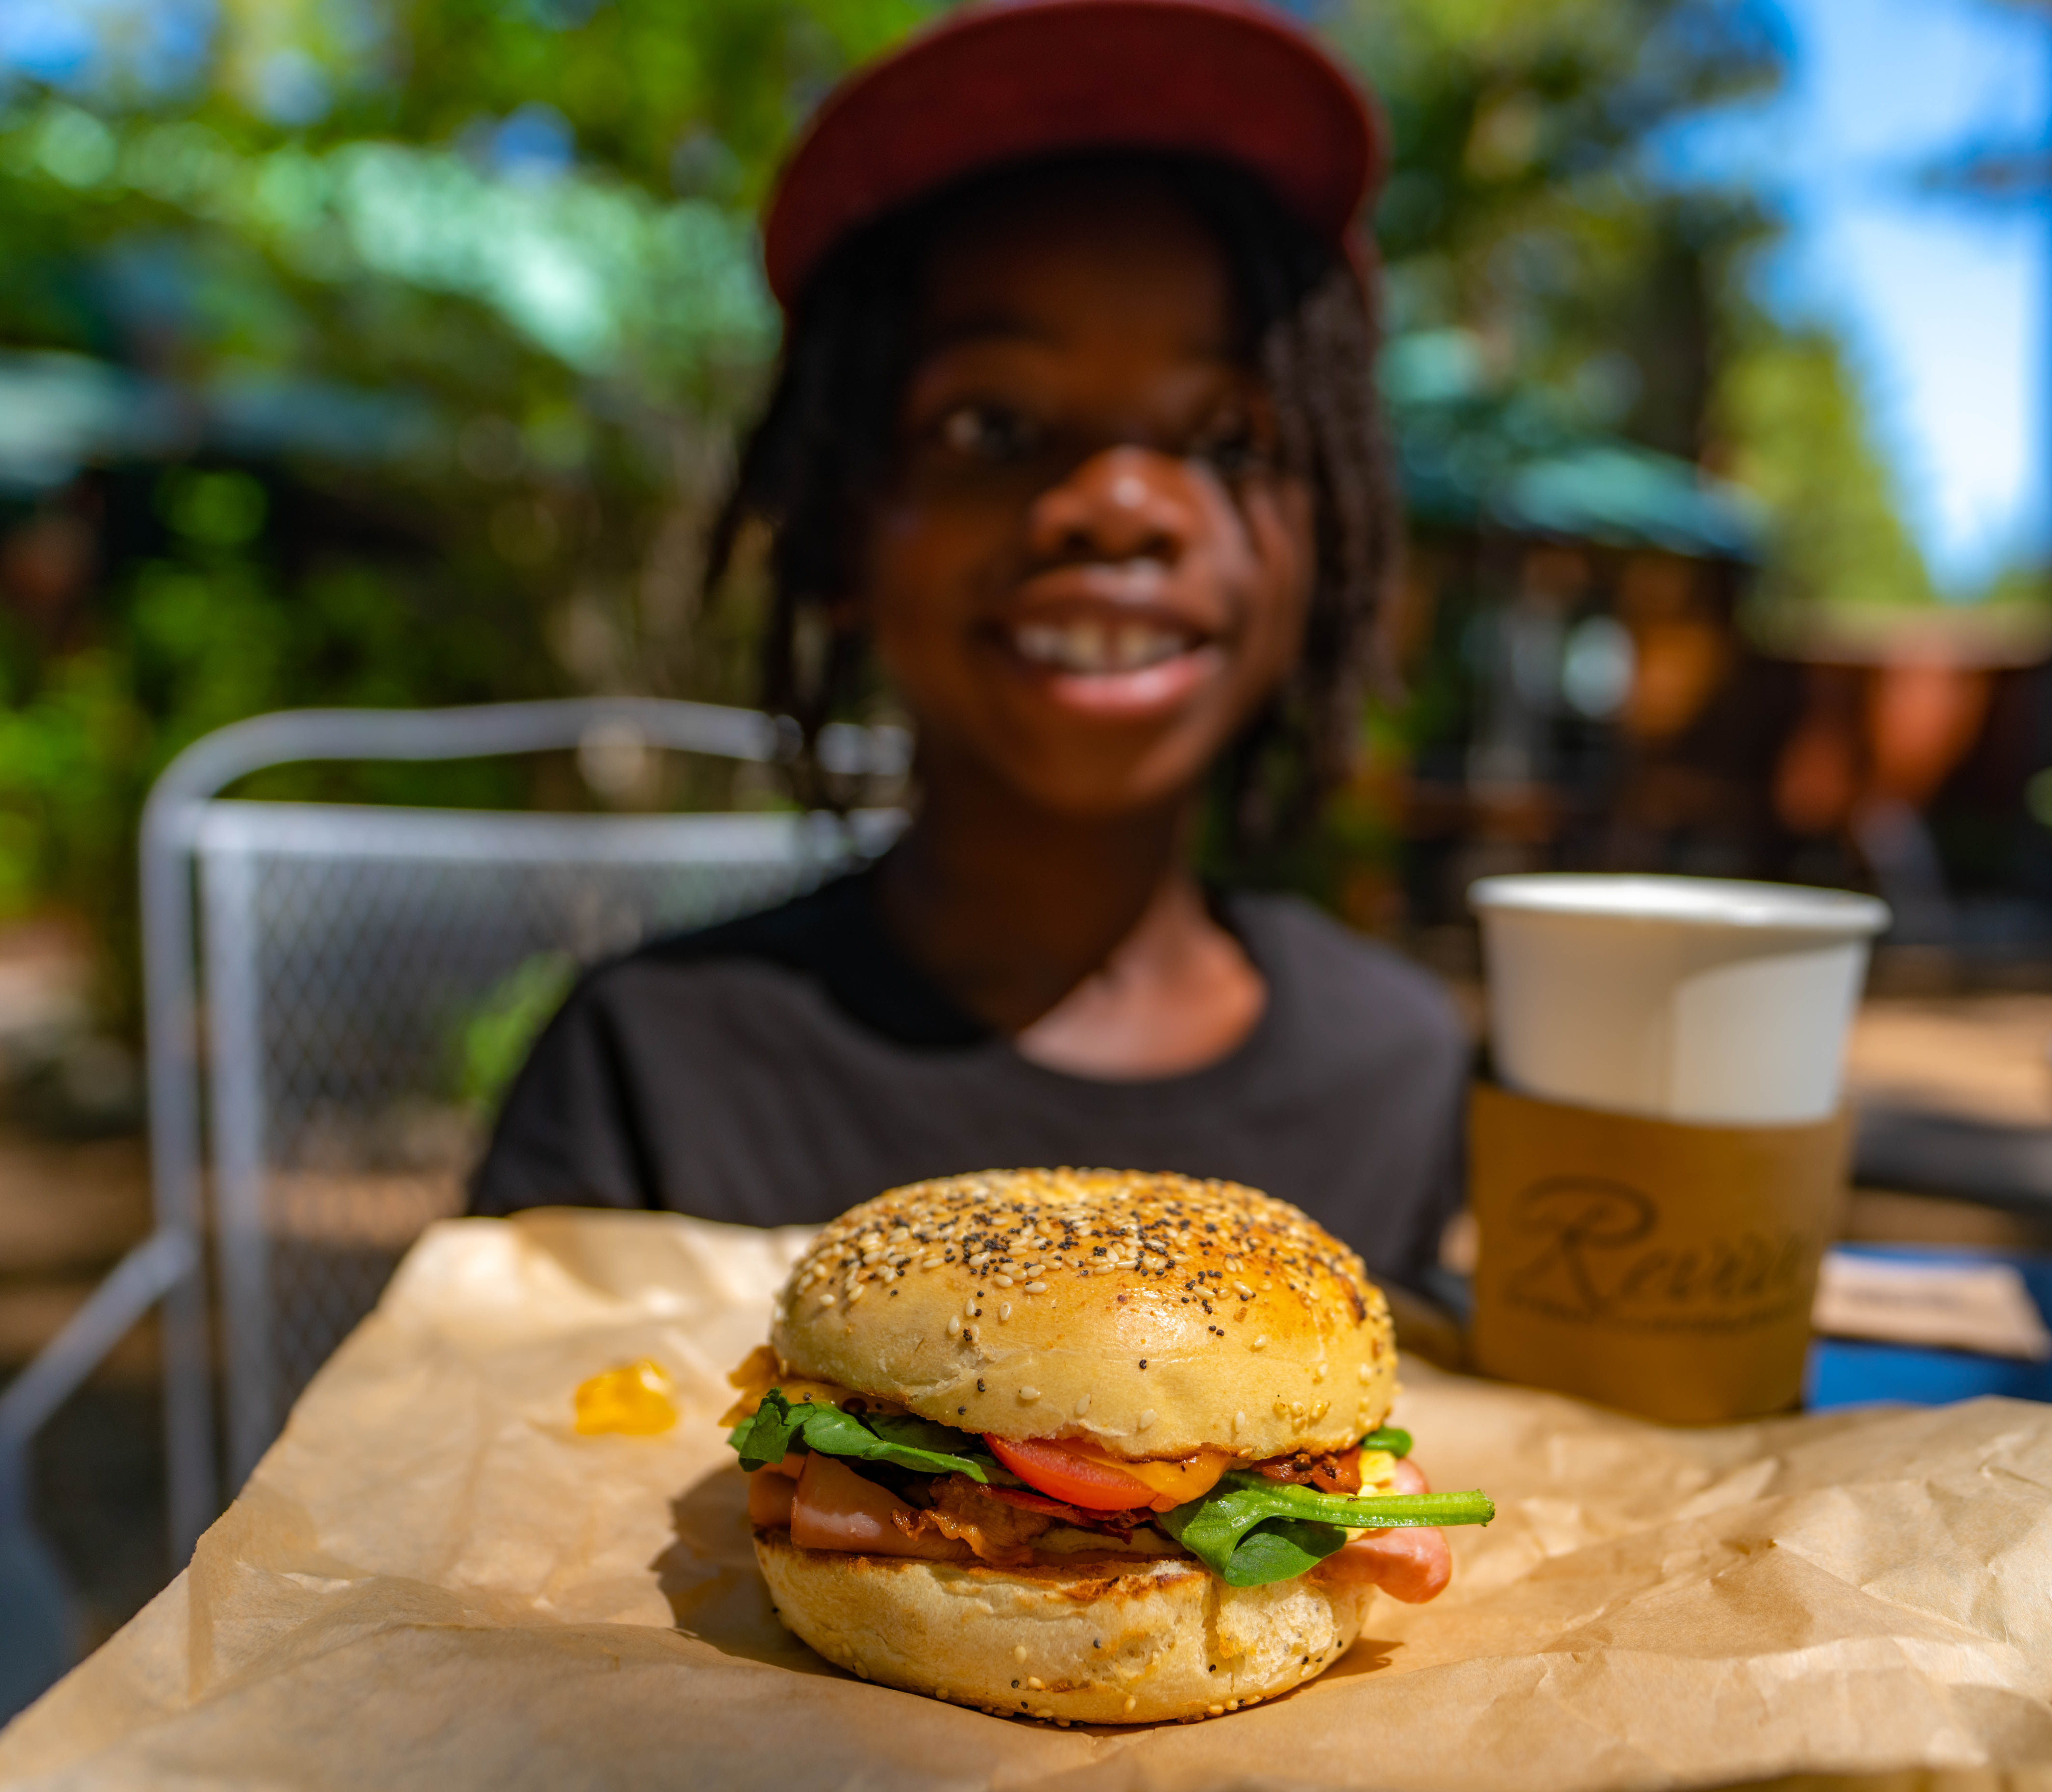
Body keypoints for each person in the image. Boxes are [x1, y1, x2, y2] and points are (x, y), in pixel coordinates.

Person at [468, 0, 1468, 1287]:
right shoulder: (653, 1062)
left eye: (1227, 439)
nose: (1121, 503)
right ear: (839, 532)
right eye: (992, 428)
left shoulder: (1396, 1063)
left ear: (1329, 538)